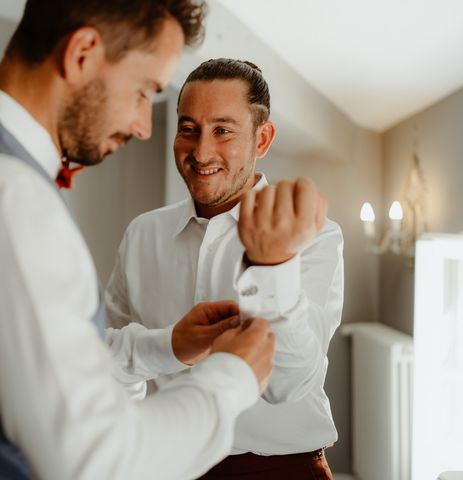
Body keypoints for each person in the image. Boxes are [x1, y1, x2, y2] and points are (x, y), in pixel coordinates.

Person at [0, 4, 282, 480]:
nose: (143, 126)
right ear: (82, 53)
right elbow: (98, 460)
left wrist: (167, 345)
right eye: (144, 92)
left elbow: (38, 358)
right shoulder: (2, 193)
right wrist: (233, 377)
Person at [105, 58, 343, 479]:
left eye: (223, 130)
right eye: (188, 128)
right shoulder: (142, 234)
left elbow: (290, 382)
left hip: (282, 470)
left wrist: (273, 265)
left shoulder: (317, 235)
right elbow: (111, 363)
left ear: (262, 138)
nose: (201, 152)